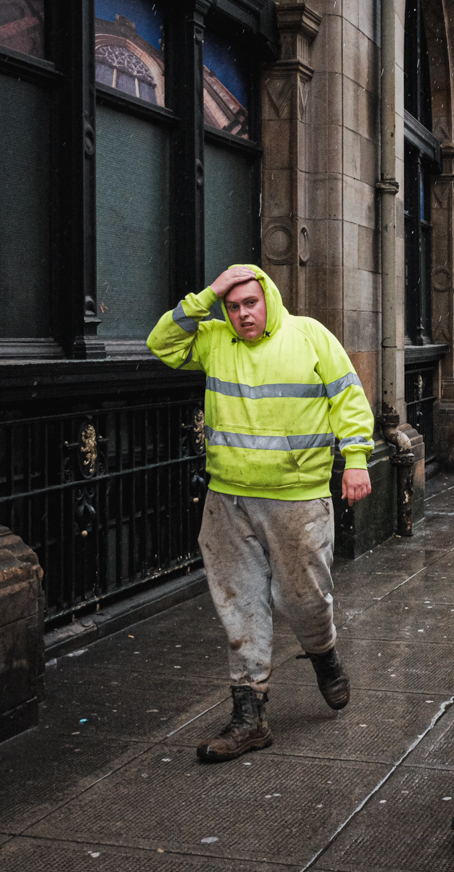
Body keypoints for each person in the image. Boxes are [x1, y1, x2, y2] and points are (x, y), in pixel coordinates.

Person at [147, 265, 376, 762]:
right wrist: (207, 293)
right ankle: (249, 717)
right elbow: (161, 344)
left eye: (249, 302)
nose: (242, 313)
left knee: (305, 600)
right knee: (239, 603)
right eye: (233, 305)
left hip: (297, 497)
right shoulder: (214, 339)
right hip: (228, 498)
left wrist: (355, 459)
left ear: (268, 298)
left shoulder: (310, 335)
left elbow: (348, 398)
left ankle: (324, 653)